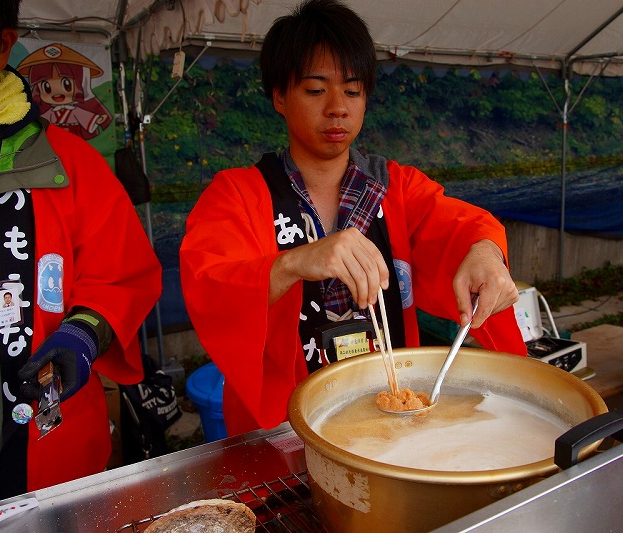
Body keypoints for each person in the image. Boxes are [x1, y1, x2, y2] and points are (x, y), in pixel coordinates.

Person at [180, 0, 526, 437]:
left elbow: (464, 227)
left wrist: (486, 254)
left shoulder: (396, 188)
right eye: (314, 90)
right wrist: (294, 262)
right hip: (282, 427)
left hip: (394, 416)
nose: (337, 107)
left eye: (353, 90)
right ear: (279, 97)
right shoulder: (237, 195)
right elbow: (210, 285)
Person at [0, 0, 162, 510]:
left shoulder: (70, 165)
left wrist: (83, 334)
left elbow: (123, 275)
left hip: (47, 465)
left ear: (3, 45)